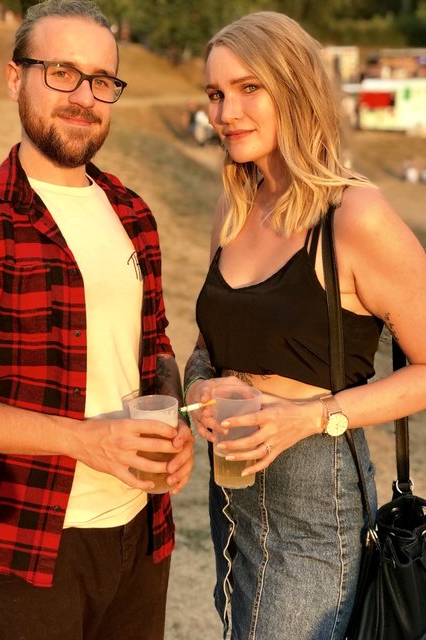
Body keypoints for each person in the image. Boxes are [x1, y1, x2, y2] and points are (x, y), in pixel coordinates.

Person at [0, 1, 194, 638]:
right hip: (26, 550)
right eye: (62, 72)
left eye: (101, 80)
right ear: (14, 77)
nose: (84, 97)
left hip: (142, 535)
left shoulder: (133, 213)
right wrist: (84, 441)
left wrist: (173, 420)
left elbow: (155, 345)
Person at [183, 11, 426, 640]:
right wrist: (198, 385)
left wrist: (310, 417)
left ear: (295, 88)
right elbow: (208, 346)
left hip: (316, 506)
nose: (226, 111)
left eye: (248, 88)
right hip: (231, 497)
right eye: (215, 93)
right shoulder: (234, 206)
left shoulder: (354, 214)